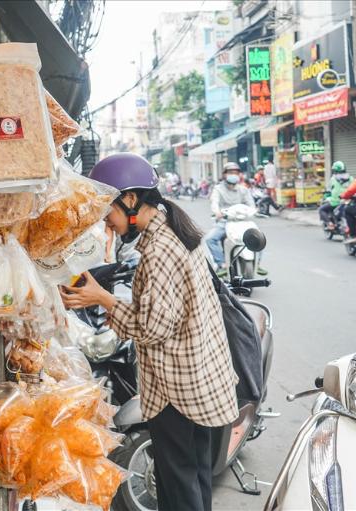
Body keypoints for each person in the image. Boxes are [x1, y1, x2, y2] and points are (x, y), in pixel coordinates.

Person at [59, 153, 238, 511]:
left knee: (178, 488)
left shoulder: (159, 249)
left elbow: (154, 326)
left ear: (130, 200)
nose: (108, 227)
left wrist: (104, 299)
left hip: (178, 392)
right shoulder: (175, 230)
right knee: (195, 477)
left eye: (108, 215)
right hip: (200, 382)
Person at [206, 162, 261, 277]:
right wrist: (217, 212)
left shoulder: (243, 190)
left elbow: (250, 204)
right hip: (225, 221)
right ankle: (221, 264)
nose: (233, 175)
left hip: (242, 221)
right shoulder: (218, 189)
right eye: (231, 173)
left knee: (258, 237)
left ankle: (258, 263)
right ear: (224, 175)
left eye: (236, 173)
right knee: (210, 239)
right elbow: (214, 202)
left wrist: (254, 209)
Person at [319, 161, 351, 228]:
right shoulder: (350, 178)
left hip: (336, 202)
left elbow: (329, 190)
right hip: (349, 201)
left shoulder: (333, 179)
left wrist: (326, 195)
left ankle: (329, 223)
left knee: (321, 209)